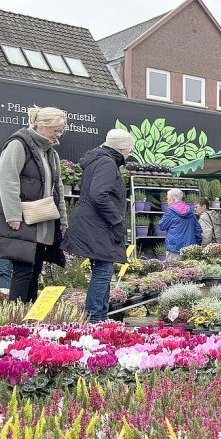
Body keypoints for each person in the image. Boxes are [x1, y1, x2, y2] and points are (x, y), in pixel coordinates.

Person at [0, 106, 69, 303]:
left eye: (61, 130)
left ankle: (28, 321)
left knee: (35, 270)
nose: (58, 134)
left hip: (42, 220)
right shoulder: (18, 144)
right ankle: (14, 321)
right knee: (23, 270)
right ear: (41, 125)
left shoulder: (51, 153)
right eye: (55, 130)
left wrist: (62, 218)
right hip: (22, 218)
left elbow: (57, 187)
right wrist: (13, 215)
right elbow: (8, 180)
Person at [62, 129, 135, 323]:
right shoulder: (107, 163)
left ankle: (98, 317)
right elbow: (99, 194)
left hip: (92, 224)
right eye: (129, 150)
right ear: (123, 148)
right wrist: (116, 218)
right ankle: (95, 319)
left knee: (102, 271)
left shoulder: (98, 160)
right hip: (98, 226)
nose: (129, 154)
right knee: (103, 272)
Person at [158, 188, 202, 260]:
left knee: (172, 270)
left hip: (174, 248)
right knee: (189, 270)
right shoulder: (190, 211)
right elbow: (198, 229)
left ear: (172, 199)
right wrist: (197, 244)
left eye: (168, 199)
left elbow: (161, 226)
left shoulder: (170, 211)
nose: (167, 201)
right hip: (189, 249)